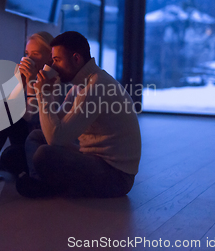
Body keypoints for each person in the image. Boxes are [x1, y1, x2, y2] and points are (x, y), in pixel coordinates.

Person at [16, 31, 141, 197]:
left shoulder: (97, 86)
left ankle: (43, 185)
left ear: (76, 59)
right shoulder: (80, 86)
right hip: (91, 158)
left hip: (116, 176)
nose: (53, 66)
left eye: (57, 60)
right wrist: (45, 91)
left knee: (43, 154)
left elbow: (56, 138)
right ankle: (40, 181)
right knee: (36, 137)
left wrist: (42, 94)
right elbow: (52, 126)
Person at [0, 31, 54, 182]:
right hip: (25, 137)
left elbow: (34, 119)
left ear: (50, 56)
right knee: (6, 106)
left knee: (11, 155)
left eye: (35, 54)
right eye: (27, 53)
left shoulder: (56, 81)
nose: (29, 58)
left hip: (41, 143)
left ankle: (5, 163)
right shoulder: (29, 75)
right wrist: (19, 82)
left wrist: (31, 82)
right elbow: (9, 111)